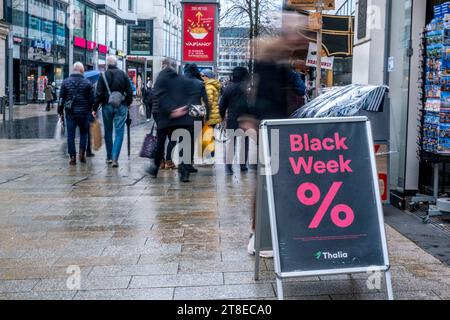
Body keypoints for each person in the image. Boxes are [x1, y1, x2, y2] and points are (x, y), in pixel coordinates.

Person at [246, 11, 310, 257]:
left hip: (277, 129)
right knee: (266, 180)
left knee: (274, 180)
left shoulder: (282, 59)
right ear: (287, 33)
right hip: (270, 129)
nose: (300, 38)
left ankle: (268, 231)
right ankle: (257, 234)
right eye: (297, 32)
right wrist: (257, 124)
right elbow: (263, 97)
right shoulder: (272, 59)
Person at [146, 58, 193, 182]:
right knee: (184, 144)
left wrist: (171, 110)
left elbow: (159, 96)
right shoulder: (182, 78)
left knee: (160, 143)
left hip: (166, 118)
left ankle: (154, 168)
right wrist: (184, 108)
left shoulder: (161, 78)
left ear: (164, 66)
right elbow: (189, 96)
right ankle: (184, 173)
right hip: (183, 118)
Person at [94, 56, 134, 168]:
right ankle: (115, 157)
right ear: (116, 64)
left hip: (107, 106)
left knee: (108, 131)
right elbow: (129, 91)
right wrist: (128, 102)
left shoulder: (103, 75)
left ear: (107, 64)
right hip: (121, 105)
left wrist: (94, 108)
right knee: (119, 132)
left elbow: (99, 93)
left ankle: (109, 157)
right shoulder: (123, 74)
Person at [58, 62, 94, 165]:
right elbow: (92, 100)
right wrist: (90, 110)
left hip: (70, 113)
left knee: (70, 135)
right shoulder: (88, 83)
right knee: (84, 133)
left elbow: (61, 99)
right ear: (82, 71)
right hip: (84, 113)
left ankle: (72, 156)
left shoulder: (65, 82)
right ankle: (82, 153)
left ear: (73, 70)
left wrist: (60, 111)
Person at [219, 67, 250, 175]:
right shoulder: (247, 88)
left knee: (231, 143)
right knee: (244, 142)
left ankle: (229, 166)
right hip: (245, 119)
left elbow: (222, 105)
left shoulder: (228, 88)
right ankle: (243, 165)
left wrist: (222, 116)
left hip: (232, 119)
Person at [183, 63, 208, 171]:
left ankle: (183, 164)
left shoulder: (181, 81)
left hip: (182, 114)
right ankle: (188, 164)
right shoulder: (200, 83)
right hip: (196, 114)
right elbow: (206, 101)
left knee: (183, 139)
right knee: (193, 140)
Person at [200, 70, 221, 160]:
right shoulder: (213, 85)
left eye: (203, 75)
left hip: (209, 115)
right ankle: (210, 155)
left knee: (207, 135)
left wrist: (205, 116)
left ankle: (209, 156)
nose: (201, 77)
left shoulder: (208, 86)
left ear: (207, 77)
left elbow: (208, 102)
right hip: (214, 114)